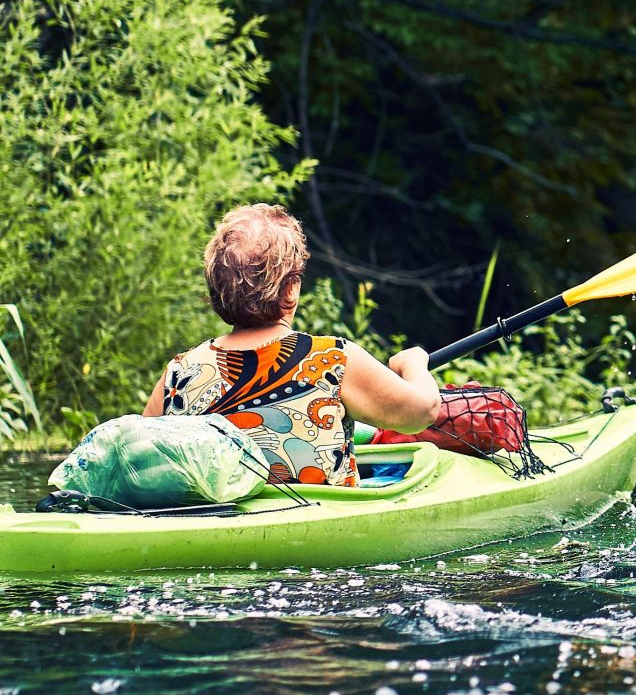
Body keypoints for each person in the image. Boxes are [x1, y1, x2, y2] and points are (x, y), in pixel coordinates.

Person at [143, 204, 441, 485]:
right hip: (323, 526)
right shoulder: (331, 358)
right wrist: (413, 363)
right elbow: (422, 412)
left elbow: (141, 458)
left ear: (215, 288)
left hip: (213, 529)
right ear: (291, 288)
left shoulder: (180, 373)